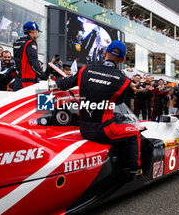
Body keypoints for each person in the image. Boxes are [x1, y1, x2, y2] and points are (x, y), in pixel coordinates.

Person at [55, 40, 141, 176]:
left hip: (84, 129)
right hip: (104, 131)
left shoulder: (84, 70)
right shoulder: (123, 80)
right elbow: (118, 102)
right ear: (122, 59)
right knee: (134, 132)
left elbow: (63, 84)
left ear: (105, 53)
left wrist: (55, 79)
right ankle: (134, 170)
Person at [13, 21, 46, 90]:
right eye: (37, 32)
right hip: (27, 83)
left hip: (17, 81)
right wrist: (43, 76)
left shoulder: (17, 42)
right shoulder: (31, 43)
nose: (38, 35)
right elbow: (33, 61)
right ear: (33, 31)